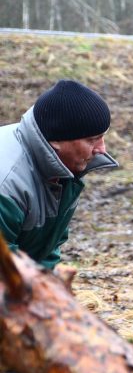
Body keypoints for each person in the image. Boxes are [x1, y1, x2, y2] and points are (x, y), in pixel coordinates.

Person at [1, 79, 116, 269]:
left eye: (103, 136)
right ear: (56, 140)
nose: (102, 149)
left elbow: (47, 249)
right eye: (92, 139)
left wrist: (47, 288)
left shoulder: (63, 169)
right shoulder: (7, 182)